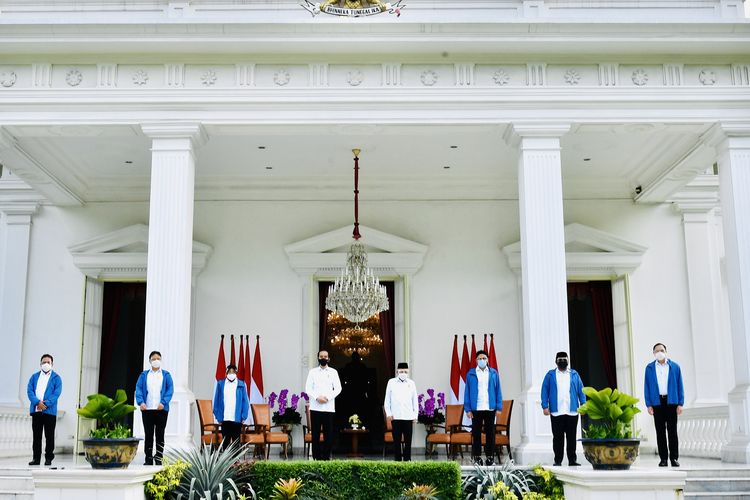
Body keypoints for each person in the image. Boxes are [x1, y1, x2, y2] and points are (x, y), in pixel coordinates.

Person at [541, 351, 586, 466]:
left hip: (572, 411)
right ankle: (558, 460)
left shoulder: (574, 374)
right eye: (560, 360)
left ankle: (572, 460)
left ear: (568, 360)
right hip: (556, 412)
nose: (562, 362)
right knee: (558, 438)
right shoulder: (550, 375)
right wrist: (545, 406)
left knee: (571, 437)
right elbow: (544, 390)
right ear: (556, 361)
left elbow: (581, 390)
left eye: (564, 359)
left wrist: (583, 405)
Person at [644, 342, 684, 467]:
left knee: (672, 431)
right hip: (657, 403)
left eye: (661, 350)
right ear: (654, 353)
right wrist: (649, 404)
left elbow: (680, 385)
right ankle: (663, 459)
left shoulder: (675, 367)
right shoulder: (649, 368)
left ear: (665, 351)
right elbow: (647, 387)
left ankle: (674, 458)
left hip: (671, 402)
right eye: (657, 351)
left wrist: (680, 403)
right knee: (660, 431)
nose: (659, 352)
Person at [464, 350, 503, 466]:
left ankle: (490, 458)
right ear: (476, 360)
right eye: (480, 358)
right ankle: (477, 458)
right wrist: (468, 409)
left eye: (484, 358)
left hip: (490, 408)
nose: (482, 360)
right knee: (476, 434)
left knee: (490, 434)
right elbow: (467, 392)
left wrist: (499, 407)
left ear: (487, 360)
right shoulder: (471, 374)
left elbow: (498, 390)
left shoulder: (493, 373)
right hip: (476, 408)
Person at [135, 350, 174, 465]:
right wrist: (140, 402)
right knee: (148, 434)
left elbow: (170, 390)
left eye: (158, 358)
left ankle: (159, 457)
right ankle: (148, 458)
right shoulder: (144, 375)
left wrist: (163, 402)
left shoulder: (166, 375)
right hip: (147, 409)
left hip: (161, 410)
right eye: (153, 359)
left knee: (160, 434)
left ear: (161, 360)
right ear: (150, 361)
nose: (156, 361)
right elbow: (138, 389)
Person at [305, 349, 342, 460]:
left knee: (328, 434)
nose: (323, 358)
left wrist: (328, 398)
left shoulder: (333, 372)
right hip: (315, 408)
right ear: (318, 358)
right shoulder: (312, 372)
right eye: (321, 356)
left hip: (329, 408)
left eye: (325, 356)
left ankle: (326, 458)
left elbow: (338, 388)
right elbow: (308, 388)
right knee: (315, 434)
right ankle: (316, 457)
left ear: (328, 358)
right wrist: (317, 397)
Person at [26, 354, 62, 466]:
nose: (46, 364)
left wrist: (45, 404)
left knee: (49, 436)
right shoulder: (34, 377)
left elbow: (56, 393)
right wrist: (37, 403)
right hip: (36, 411)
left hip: (49, 412)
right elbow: (30, 391)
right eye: (44, 362)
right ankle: (36, 459)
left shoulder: (56, 378)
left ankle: (48, 458)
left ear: (52, 364)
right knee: (36, 436)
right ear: (40, 364)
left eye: (48, 362)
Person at [383, 362, 418, 461]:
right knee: (396, 441)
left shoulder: (411, 383)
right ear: (397, 371)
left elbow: (415, 401)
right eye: (401, 371)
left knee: (408, 441)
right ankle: (397, 461)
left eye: (405, 371)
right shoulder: (391, 382)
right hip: (396, 417)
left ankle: (407, 460)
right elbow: (387, 400)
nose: (403, 373)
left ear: (408, 372)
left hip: (408, 417)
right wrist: (389, 414)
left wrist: (415, 415)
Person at [213, 364, 250, 449]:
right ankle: (226, 461)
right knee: (225, 441)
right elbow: (217, 401)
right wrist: (218, 417)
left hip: (236, 419)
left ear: (236, 373)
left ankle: (236, 461)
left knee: (236, 441)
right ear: (226, 373)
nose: (231, 374)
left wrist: (244, 416)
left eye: (233, 372)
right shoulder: (221, 384)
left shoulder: (241, 384)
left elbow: (245, 401)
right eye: (229, 372)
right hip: (225, 418)